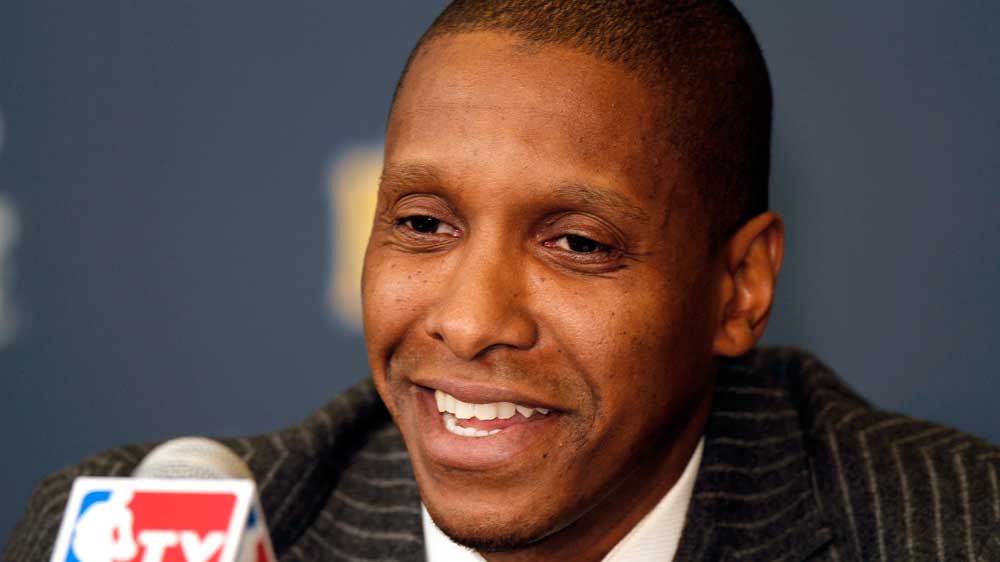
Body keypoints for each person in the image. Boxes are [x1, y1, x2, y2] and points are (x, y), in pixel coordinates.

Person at [6, 1, 1000, 561]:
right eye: (422, 225)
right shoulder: (136, 529)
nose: (470, 320)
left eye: (576, 243)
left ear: (737, 286)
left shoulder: (953, 531)